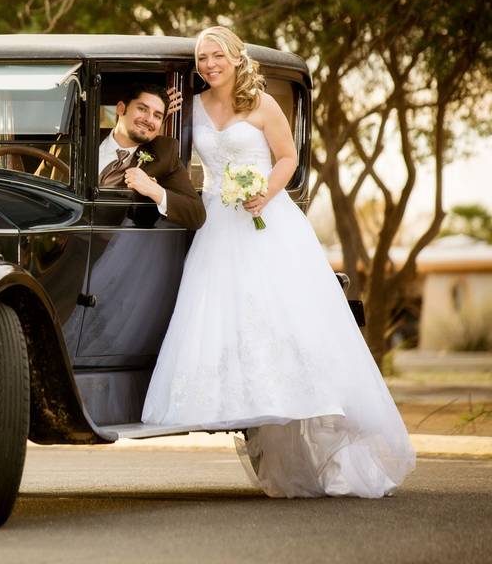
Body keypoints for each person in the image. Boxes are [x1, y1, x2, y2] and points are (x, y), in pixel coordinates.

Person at [141, 26, 415, 498]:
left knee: (284, 327)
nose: (208, 64)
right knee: (232, 325)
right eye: (202, 58)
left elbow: (286, 158)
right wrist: (167, 114)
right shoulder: (193, 107)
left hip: (265, 222)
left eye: (216, 55)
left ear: (234, 56)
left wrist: (264, 193)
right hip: (217, 226)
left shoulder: (263, 104)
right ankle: (275, 447)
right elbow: (171, 154)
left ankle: (328, 452)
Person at [97, 84, 205, 230]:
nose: (149, 119)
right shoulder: (84, 141)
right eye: (142, 109)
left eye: (157, 116)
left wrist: (153, 190)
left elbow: (196, 215)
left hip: (115, 241)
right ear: (121, 108)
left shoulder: (163, 154)